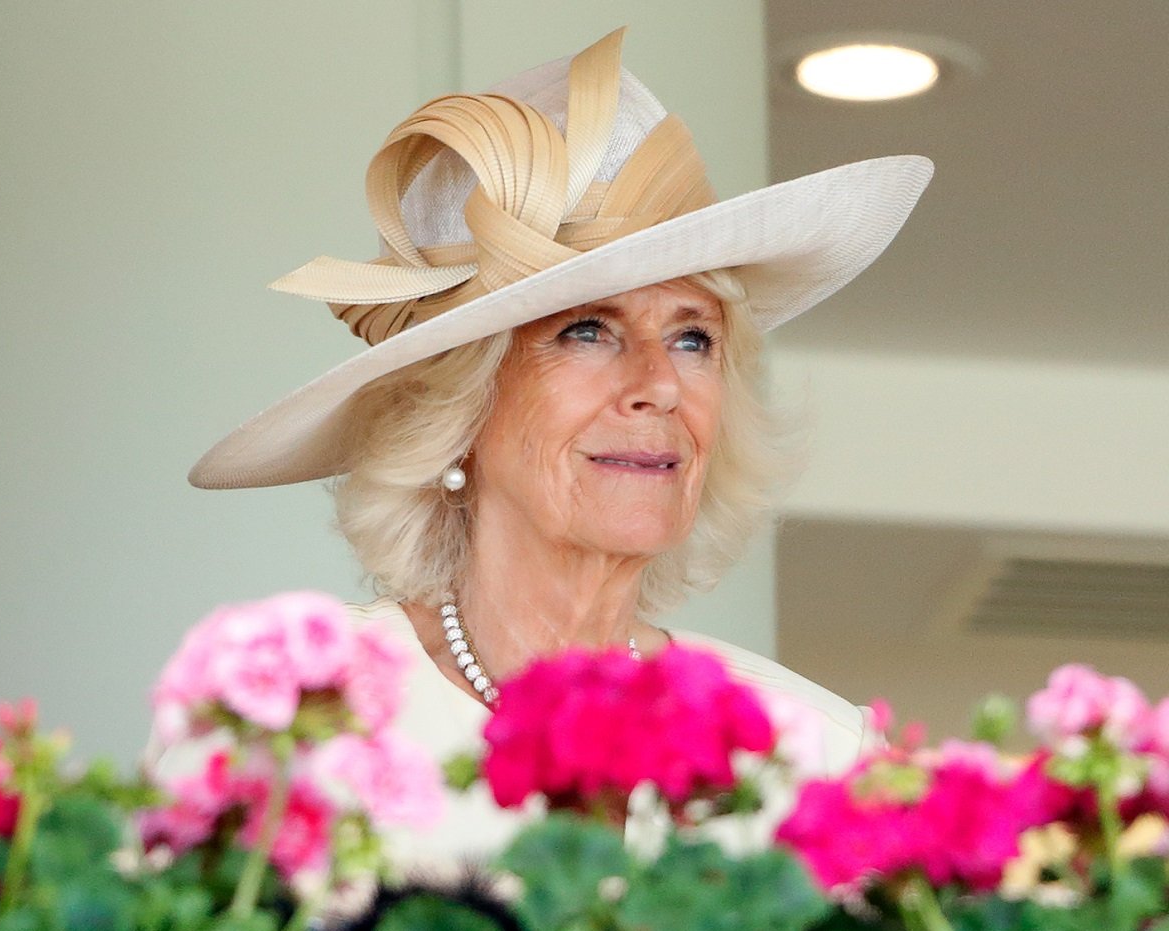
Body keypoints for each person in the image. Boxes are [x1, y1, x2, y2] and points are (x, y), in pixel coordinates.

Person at [189, 29, 932, 863]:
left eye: (693, 339)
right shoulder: (294, 727)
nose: (659, 382)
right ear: (458, 403)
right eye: (587, 330)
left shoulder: (817, 759)